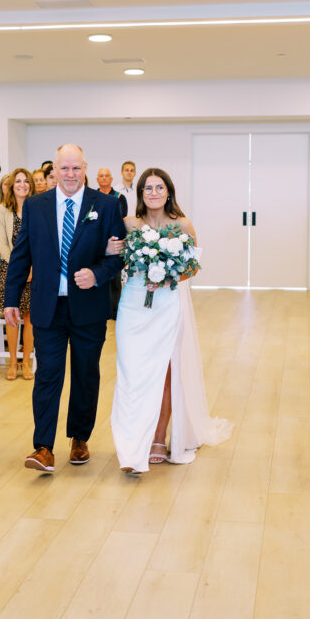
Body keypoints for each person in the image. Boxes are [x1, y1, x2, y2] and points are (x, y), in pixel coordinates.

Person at [4, 145, 125, 472]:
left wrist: (97, 274)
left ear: (85, 168)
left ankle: (79, 438)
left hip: (88, 307)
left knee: (86, 374)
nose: (70, 175)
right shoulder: (35, 205)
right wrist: (11, 298)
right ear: (53, 170)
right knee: (47, 376)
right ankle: (43, 447)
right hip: (47, 306)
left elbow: (117, 256)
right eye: (64, 168)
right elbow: (21, 254)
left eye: (76, 168)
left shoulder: (107, 205)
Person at [106, 168, 232, 473]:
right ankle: (133, 439)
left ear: (168, 191)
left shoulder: (182, 224)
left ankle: (159, 437)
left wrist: (168, 276)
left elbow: (193, 266)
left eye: (159, 187)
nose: (153, 192)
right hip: (134, 303)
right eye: (147, 188)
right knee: (131, 370)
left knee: (164, 370)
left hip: (166, 302)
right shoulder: (128, 224)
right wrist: (110, 249)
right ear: (140, 194)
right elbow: (113, 257)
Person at [0, 168, 38, 380]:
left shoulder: (38, 209)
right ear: (12, 186)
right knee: (11, 316)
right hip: (11, 270)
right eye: (18, 181)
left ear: (31, 185)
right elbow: (1, 244)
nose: (22, 185)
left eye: (26, 181)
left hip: (36, 269)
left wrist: (32, 268)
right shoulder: (2, 210)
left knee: (30, 317)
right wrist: (21, 268)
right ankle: (12, 363)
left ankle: (26, 363)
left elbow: (42, 243)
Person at [96, 167, 128, 319]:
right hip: (96, 243)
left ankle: (114, 311)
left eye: (106, 176)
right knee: (98, 277)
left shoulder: (119, 197)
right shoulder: (92, 196)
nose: (103, 178)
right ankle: (100, 310)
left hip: (114, 241)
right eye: (101, 176)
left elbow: (121, 219)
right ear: (97, 179)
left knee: (114, 279)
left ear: (111, 179)